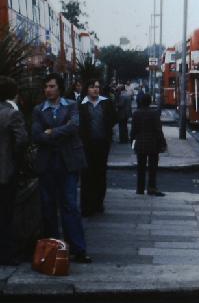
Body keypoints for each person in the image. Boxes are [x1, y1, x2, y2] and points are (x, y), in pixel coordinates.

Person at [32, 73, 92, 263]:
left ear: (60, 88)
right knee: (48, 207)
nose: (48, 90)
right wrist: (58, 133)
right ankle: (53, 250)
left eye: (52, 86)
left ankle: (78, 249)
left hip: (68, 162)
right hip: (47, 163)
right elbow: (36, 135)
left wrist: (51, 132)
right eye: (46, 87)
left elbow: (74, 127)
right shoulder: (38, 109)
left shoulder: (71, 105)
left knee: (70, 205)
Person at [0, 76, 28, 266]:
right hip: (5, 171)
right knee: (5, 215)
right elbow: (22, 140)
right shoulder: (12, 114)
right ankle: (5, 254)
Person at [79, 78, 116, 216]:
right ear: (86, 89)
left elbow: (113, 118)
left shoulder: (106, 103)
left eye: (97, 87)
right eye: (92, 86)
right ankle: (86, 206)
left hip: (102, 144)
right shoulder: (81, 104)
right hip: (86, 145)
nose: (95, 89)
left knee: (100, 173)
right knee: (86, 175)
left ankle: (98, 203)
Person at [130, 93, 166, 196]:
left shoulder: (136, 114)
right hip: (153, 144)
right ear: (150, 102)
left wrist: (132, 141)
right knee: (152, 168)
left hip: (140, 143)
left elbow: (133, 131)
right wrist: (163, 143)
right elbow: (158, 130)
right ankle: (151, 188)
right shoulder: (154, 114)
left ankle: (140, 189)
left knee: (140, 167)